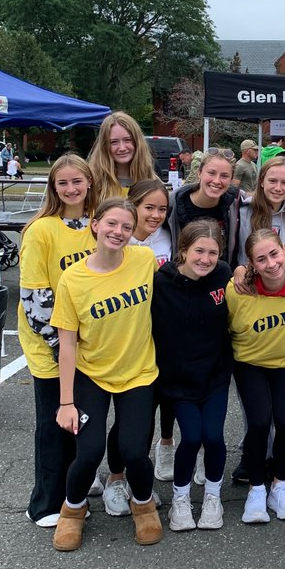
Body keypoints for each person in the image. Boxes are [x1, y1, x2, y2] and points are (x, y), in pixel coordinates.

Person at [51, 199, 162, 552]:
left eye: (127, 228)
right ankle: (73, 509)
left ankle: (142, 504)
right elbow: (67, 345)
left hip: (139, 372)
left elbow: (184, 278)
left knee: (133, 451)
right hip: (92, 374)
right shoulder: (74, 279)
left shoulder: (144, 260)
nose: (118, 232)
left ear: (134, 233)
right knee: (90, 451)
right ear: (95, 225)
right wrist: (65, 402)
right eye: (112, 224)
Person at [18, 155, 97, 528]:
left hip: (89, 345)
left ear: (90, 182)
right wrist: (63, 346)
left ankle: (74, 496)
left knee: (79, 423)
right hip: (51, 346)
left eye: (76, 181)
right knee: (53, 424)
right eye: (62, 183)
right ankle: (46, 502)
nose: (70, 189)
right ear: (53, 188)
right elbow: (34, 298)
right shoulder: (41, 230)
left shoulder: (96, 226)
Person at [152, 220, 233, 533]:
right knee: (193, 436)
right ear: (182, 251)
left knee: (213, 436)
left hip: (214, 372)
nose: (205, 259)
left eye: (213, 252)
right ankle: (181, 499)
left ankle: (213, 496)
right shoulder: (162, 282)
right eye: (199, 251)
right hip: (177, 378)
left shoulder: (224, 274)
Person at [226, 229, 285, 523]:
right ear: (251, 264)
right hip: (251, 363)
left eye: (274, 254)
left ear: (284, 249)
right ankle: (256, 488)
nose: (271, 263)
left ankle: (280, 484)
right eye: (260, 259)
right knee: (260, 423)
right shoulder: (238, 291)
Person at [127, 179, 176, 480]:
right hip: (131, 331)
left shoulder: (168, 235)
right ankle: (126, 468)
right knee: (138, 406)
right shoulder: (120, 236)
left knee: (168, 393)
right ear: (133, 205)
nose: (156, 215)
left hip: (165, 326)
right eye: (149, 207)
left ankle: (166, 445)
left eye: (162, 209)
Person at [170, 148, 240, 263]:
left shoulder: (236, 205)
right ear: (199, 173)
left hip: (220, 277)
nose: (217, 181)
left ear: (231, 180)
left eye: (224, 176)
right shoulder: (173, 203)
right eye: (211, 173)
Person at [237, 155, 285, 262]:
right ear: (262, 181)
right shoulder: (242, 211)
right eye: (272, 181)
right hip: (247, 276)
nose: (278, 188)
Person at [87, 111, 157, 203]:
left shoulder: (153, 182)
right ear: (104, 146)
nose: (122, 148)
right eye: (114, 142)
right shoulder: (92, 184)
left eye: (127, 140)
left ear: (137, 142)